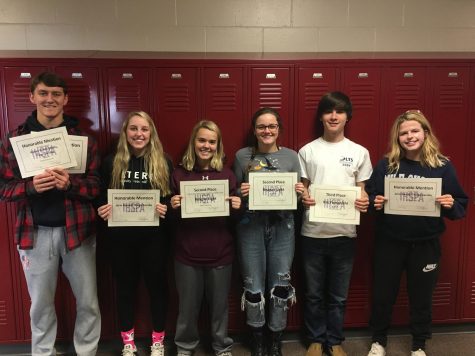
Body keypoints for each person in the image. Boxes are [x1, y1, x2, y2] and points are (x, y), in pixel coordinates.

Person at [0, 72, 101, 355]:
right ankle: (43, 352)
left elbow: (95, 187)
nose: (50, 99)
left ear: (66, 100)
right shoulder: (14, 141)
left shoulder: (83, 141)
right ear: (32, 97)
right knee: (41, 304)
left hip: (78, 233)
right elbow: (4, 189)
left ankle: (87, 351)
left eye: (56, 94)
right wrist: (30, 187)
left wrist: (71, 184)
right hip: (35, 235)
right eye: (43, 93)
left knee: (88, 302)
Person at [365, 110, 468, 356]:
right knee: (383, 295)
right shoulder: (387, 165)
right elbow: (368, 197)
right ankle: (378, 341)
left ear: (425, 133)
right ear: (397, 137)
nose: (409, 136)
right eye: (404, 133)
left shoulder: (442, 166)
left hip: (425, 245)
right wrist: (374, 202)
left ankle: (419, 344)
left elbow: (460, 205)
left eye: (414, 131)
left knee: (421, 298)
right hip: (390, 242)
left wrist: (449, 203)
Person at [299, 92, 372, 356]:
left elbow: (361, 190)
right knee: (314, 294)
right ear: (321, 116)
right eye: (328, 111)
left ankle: (335, 340)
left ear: (347, 116)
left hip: (344, 235)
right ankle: (316, 339)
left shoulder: (359, 152)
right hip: (312, 234)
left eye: (339, 111)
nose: (333, 116)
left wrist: (363, 200)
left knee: (338, 296)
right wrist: (303, 198)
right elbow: (302, 190)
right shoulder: (307, 150)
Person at [97, 111, 172, 356]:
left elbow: (173, 202)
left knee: (157, 289)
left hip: (154, 240)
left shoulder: (164, 161)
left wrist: (166, 207)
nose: (139, 134)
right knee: (125, 290)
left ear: (151, 133)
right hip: (121, 241)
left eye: (144, 129)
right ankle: (128, 343)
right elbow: (99, 199)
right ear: (125, 132)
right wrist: (103, 208)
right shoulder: (111, 162)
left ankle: (157, 341)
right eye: (133, 129)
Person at [233, 107, 304, 356]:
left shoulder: (292, 157)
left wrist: (299, 191)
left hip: (283, 225)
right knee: (252, 284)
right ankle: (257, 338)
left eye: (272, 126)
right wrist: (240, 193)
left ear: (279, 129)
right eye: (261, 126)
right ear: (254, 130)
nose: (267, 131)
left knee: (281, 283)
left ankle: (275, 337)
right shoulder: (242, 156)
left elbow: (299, 195)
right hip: (250, 225)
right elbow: (233, 194)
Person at [170, 120, 241, 356]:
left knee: (219, 308)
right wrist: (173, 205)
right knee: (187, 308)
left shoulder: (227, 175)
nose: (206, 146)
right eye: (202, 140)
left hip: (220, 252)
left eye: (212, 141)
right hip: (187, 253)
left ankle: (221, 346)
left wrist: (237, 206)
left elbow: (233, 220)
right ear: (193, 143)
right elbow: (169, 219)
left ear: (218, 145)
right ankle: (184, 346)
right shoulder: (179, 174)